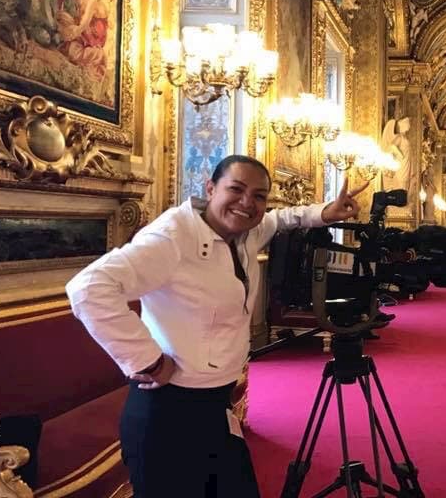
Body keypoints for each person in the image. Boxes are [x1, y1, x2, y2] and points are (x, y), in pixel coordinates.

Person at [66, 154, 368, 498]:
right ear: (210, 188)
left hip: (215, 406)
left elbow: (280, 219)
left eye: (258, 195)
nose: (247, 203)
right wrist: (147, 361)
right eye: (236, 189)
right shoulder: (172, 238)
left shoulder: (247, 232)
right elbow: (88, 289)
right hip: (168, 413)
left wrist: (323, 213)